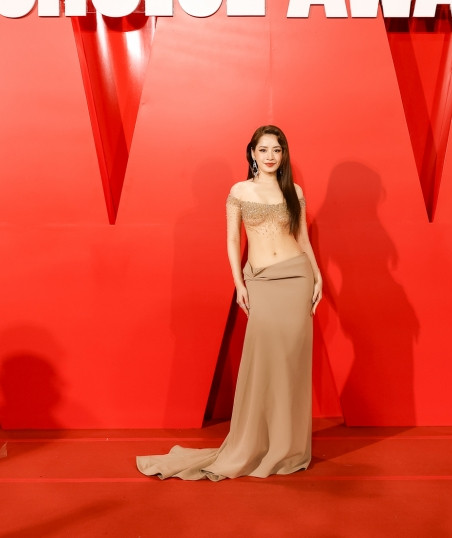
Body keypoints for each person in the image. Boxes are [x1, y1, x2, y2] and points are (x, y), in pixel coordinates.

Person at [136, 125, 322, 481]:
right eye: (263, 149)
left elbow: (302, 238)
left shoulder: (294, 191)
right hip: (261, 280)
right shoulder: (239, 191)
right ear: (252, 153)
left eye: (277, 150)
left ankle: (289, 447)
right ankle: (255, 443)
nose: (270, 156)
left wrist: (317, 276)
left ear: (283, 154)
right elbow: (233, 240)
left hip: (297, 277)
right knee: (265, 362)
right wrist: (239, 283)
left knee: (291, 364)